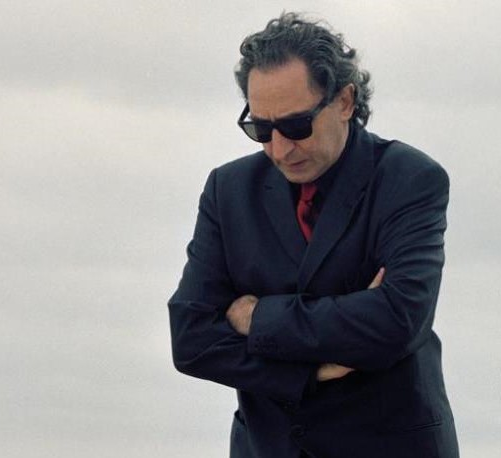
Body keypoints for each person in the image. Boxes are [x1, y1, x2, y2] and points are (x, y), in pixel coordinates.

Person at [168, 12, 459, 458]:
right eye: (261, 129)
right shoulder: (228, 190)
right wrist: (309, 371)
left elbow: (397, 321)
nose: (280, 148)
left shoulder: (410, 179)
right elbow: (191, 338)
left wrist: (257, 319)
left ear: (344, 100)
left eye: (296, 126)